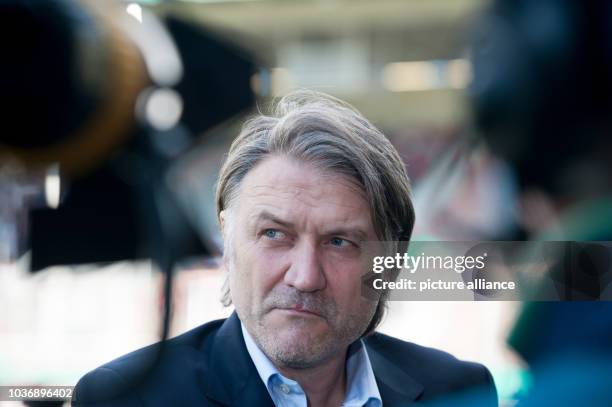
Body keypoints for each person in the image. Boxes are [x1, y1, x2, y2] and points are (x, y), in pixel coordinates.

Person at [73, 90, 497, 407]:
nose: (305, 276)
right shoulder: (123, 398)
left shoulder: (458, 390)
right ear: (226, 239)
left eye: (339, 242)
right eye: (275, 234)